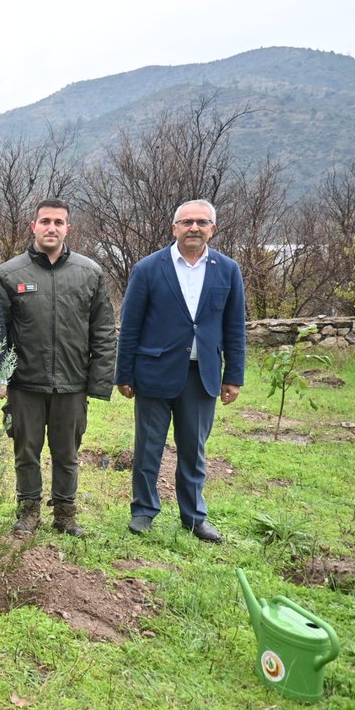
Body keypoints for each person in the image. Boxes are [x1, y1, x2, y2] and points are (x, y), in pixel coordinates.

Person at [115, 199, 246, 543]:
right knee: (148, 448)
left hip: (201, 376)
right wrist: (123, 374)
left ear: (212, 229)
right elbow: (130, 325)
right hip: (154, 372)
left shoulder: (227, 269)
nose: (194, 228)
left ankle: (194, 517)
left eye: (202, 222)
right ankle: (143, 511)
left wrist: (234, 375)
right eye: (186, 222)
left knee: (194, 449)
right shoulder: (148, 268)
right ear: (174, 228)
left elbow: (234, 327)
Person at [0, 198, 116, 538]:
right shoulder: (9, 273)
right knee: (26, 452)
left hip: (72, 383)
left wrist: (98, 383)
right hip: (25, 384)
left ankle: (65, 514)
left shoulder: (89, 272)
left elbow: (104, 331)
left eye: (58, 222)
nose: (51, 228)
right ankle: (28, 512)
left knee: (67, 453)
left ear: (68, 228)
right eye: (45, 221)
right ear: (33, 226)